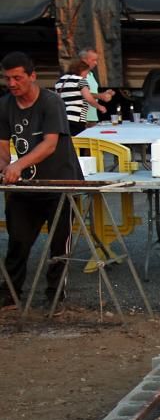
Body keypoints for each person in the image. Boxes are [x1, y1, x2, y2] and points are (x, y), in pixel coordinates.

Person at [0, 52, 84, 308]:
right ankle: (10, 294)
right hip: (26, 185)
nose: (12, 84)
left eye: (17, 78)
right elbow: (2, 144)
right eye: (7, 79)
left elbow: (49, 144)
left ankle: (55, 296)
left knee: (60, 244)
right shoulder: (5, 105)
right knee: (18, 241)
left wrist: (18, 164)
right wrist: (5, 166)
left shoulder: (51, 102)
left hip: (60, 182)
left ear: (32, 76)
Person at [53, 59, 97, 135]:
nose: (86, 75)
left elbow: (56, 100)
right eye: (86, 72)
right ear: (81, 70)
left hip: (62, 117)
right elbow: (88, 98)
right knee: (78, 141)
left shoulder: (59, 81)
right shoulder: (80, 80)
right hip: (77, 117)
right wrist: (99, 106)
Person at [78, 47, 115, 127]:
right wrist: (100, 96)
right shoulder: (78, 74)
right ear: (84, 60)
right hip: (82, 117)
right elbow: (79, 92)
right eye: (93, 60)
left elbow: (89, 92)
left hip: (92, 116)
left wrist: (104, 94)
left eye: (96, 60)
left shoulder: (90, 74)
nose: (96, 63)